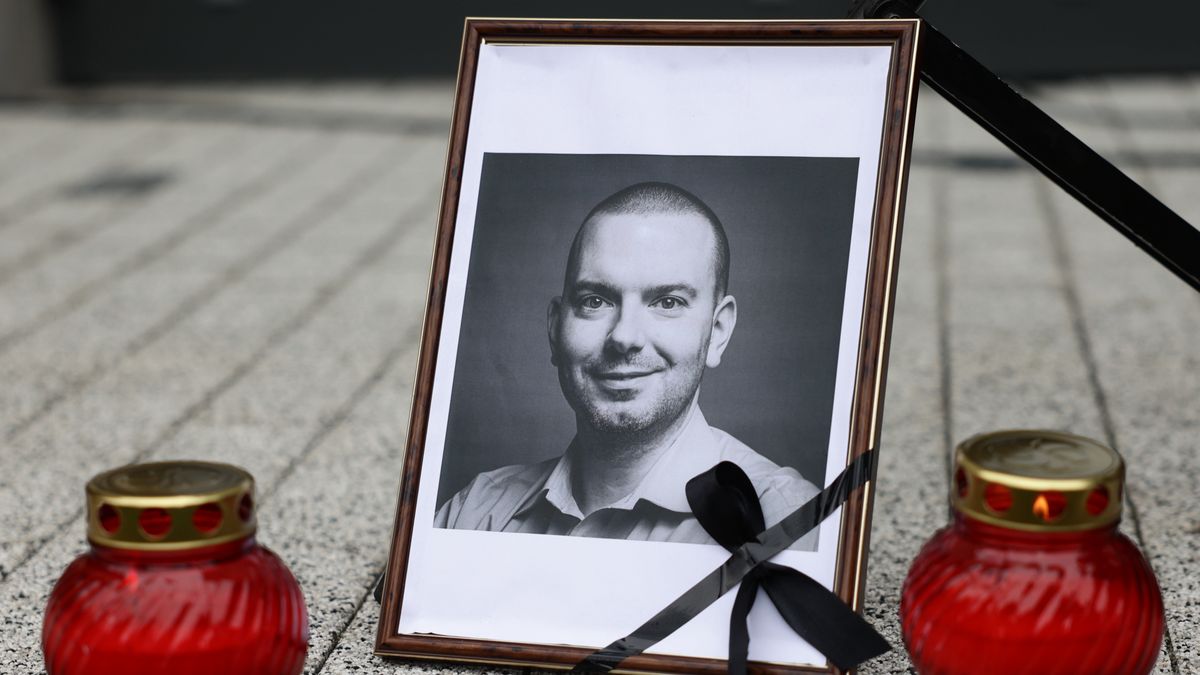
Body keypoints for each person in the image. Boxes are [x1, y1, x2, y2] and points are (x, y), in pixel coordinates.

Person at [435, 182, 819, 548]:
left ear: (717, 331)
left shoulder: (788, 523)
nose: (625, 337)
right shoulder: (472, 513)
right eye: (595, 300)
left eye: (667, 302)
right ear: (555, 328)